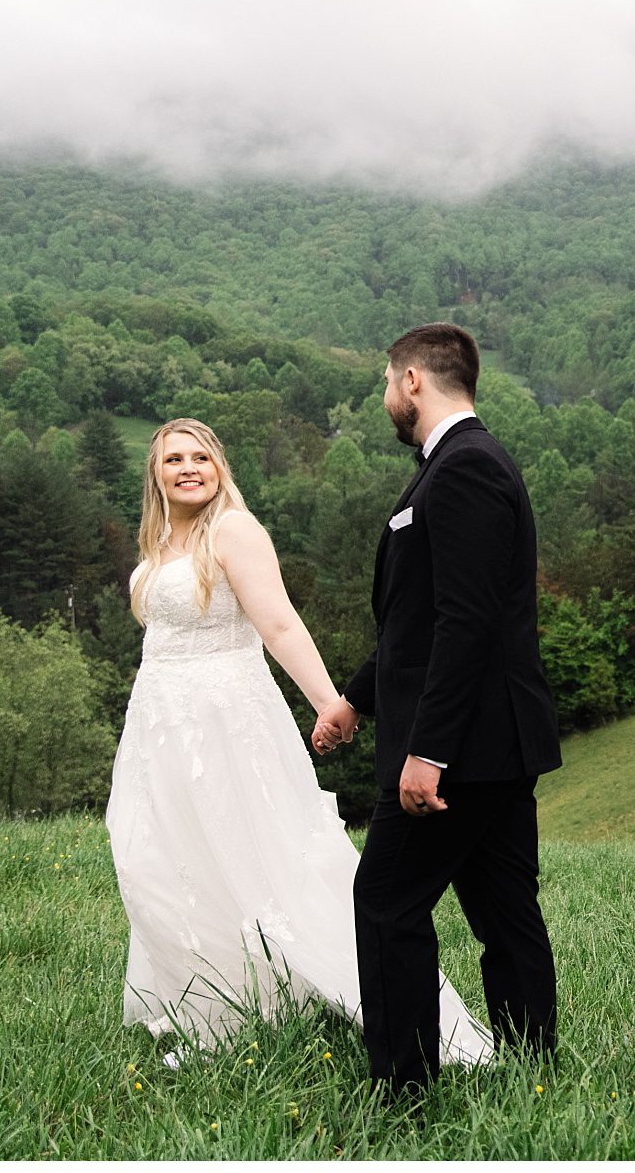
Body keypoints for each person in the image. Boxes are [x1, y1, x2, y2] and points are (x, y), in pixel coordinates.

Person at [105, 417, 492, 1068]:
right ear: (156, 472)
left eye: (201, 455)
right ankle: (210, 1005)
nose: (188, 466)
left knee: (248, 855)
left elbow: (279, 622)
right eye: (174, 458)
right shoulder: (160, 539)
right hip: (160, 722)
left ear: (220, 465)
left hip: (224, 719)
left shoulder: (232, 531)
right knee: (162, 857)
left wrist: (331, 705)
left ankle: (344, 1001)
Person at [344, 323, 562, 1098]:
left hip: (461, 748)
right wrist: (354, 699)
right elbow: (418, 620)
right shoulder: (461, 464)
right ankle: (535, 1072)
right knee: (504, 909)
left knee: (386, 900)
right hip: (495, 741)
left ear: (411, 380)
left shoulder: (464, 468)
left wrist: (427, 750)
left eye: (385, 381)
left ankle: (402, 1090)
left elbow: (464, 623)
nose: (385, 397)